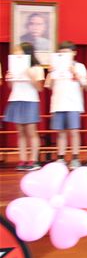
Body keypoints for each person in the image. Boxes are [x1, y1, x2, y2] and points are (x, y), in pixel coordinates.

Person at [44, 41, 87, 168]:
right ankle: (61, 157)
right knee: (61, 133)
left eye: (66, 52)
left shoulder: (79, 66)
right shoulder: (55, 66)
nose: (63, 55)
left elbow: (85, 84)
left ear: (74, 53)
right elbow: (49, 86)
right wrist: (50, 73)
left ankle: (75, 158)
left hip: (73, 104)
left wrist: (75, 72)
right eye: (61, 52)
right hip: (58, 104)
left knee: (74, 132)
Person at [4, 42, 44, 171]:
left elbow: (40, 88)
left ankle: (33, 160)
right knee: (20, 132)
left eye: (19, 52)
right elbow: (11, 87)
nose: (16, 54)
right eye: (15, 52)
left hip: (30, 100)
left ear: (27, 53)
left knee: (31, 131)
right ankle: (22, 159)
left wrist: (31, 76)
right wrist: (9, 78)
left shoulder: (36, 68)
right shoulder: (13, 67)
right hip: (16, 99)